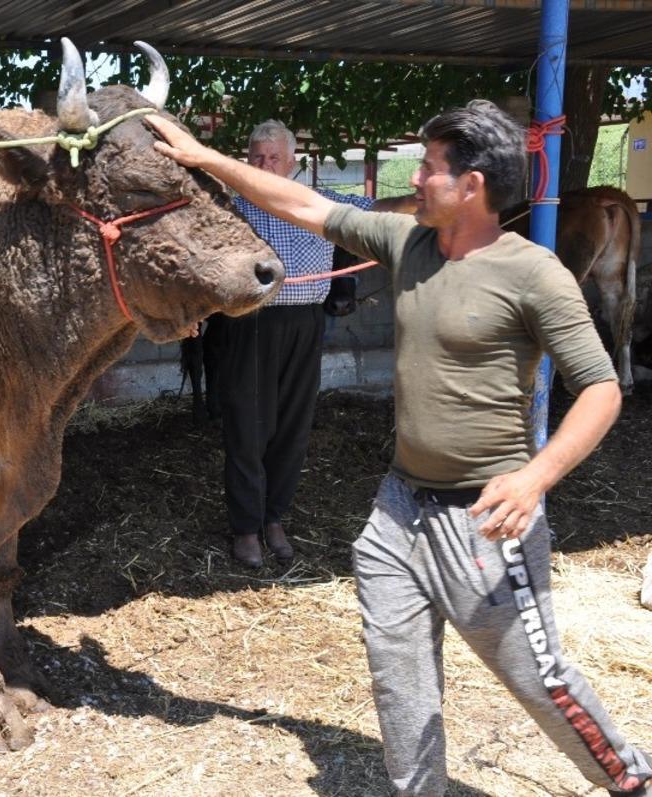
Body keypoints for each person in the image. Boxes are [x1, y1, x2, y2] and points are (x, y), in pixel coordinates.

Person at [146, 102, 650, 796]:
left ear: (472, 185)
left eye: (431, 168)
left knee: (539, 677)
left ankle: (630, 778)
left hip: (485, 517)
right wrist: (204, 159)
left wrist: (537, 477)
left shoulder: (534, 274)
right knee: (398, 673)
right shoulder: (407, 241)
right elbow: (302, 202)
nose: (416, 180)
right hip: (397, 513)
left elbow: (600, 388)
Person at [220, 120, 403, 569]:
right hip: (250, 321)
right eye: (257, 158)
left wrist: (432, 199)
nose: (264, 165)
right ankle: (246, 528)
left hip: (305, 323)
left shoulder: (321, 203)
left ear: (292, 163)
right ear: (247, 161)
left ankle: (275, 518)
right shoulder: (230, 208)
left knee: (293, 426)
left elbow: (375, 207)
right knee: (248, 425)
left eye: (273, 158)